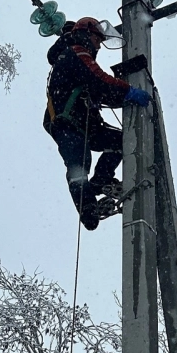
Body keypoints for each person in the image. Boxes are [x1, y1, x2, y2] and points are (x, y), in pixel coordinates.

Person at [43, 16, 152, 230]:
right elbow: (99, 79)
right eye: (97, 39)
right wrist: (128, 90)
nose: (98, 45)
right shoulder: (75, 52)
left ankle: (101, 180)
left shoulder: (76, 55)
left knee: (123, 141)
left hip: (86, 123)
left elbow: (103, 93)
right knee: (79, 163)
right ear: (86, 33)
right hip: (68, 123)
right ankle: (88, 208)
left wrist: (124, 96)